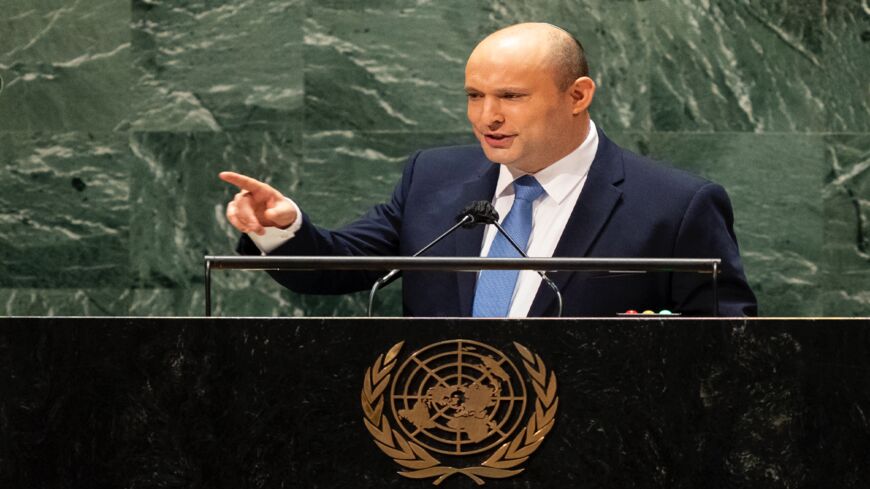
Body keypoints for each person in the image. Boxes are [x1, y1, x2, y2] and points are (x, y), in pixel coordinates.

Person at [220, 23, 757, 317]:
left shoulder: (675, 205)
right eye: (474, 96)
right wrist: (281, 228)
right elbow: (338, 269)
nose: (486, 117)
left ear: (578, 95)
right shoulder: (433, 178)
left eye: (511, 96)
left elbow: (731, 344)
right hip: (437, 441)